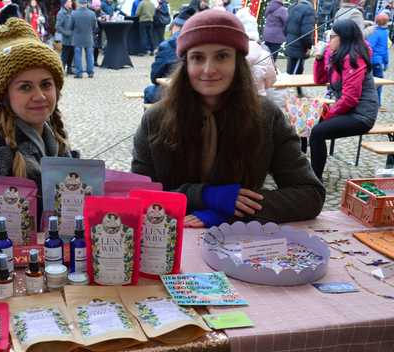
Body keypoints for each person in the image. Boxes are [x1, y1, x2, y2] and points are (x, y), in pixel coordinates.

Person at [132, 10, 325, 227]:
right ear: (185, 65)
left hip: (240, 246)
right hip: (170, 240)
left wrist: (232, 213)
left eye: (222, 56)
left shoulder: (266, 116)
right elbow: (140, 195)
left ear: (238, 63)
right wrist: (203, 195)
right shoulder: (154, 120)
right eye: (197, 57)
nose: (208, 69)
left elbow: (310, 194)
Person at [0, 18, 72, 227]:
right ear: (5, 95)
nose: (39, 96)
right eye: (25, 87)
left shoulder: (56, 140)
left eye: (46, 84)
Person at [309, 19, 378, 180]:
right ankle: (303, 170)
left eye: (332, 36)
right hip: (350, 110)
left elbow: (350, 99)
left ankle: (314, 179)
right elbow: (319, 80)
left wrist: (328, 115)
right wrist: (319, 58)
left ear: (343, 37)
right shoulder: (339, 56)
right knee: (308, 122)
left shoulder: (353, 58)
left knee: (317, 132)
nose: (329, 39)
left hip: (361, 115)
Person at [143, 6, 195, 104]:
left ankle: (152, 119)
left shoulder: (167, 46)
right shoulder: (201, 43)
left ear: (175, 26)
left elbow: (154, 77)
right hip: (199, 92)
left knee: (149, 91)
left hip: (174, 93)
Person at [237, 7, 276, 96]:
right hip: (259, 100)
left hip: (237, 100)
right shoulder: (264, 54)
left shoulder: (233, 54)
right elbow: (271, 80)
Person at [284, 0, 315, 78]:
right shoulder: (309, 10)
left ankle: (295, 89)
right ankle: (294, 89)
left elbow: (285, 28)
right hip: (300, 47)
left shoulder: (292, 8)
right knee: (296, 75)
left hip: (291, 43)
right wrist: (309, 46)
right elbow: (306, 33)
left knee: (291, 71)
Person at [367, 13, 390, 109]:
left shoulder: (372, 31)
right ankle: (377, 103)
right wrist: (386, 62)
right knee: (378, 83)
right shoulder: (384, 33)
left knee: (368, 82)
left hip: (369, 61)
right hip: (376, 61)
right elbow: (384, 50)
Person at [71, 0, 98, 78]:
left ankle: (79, 73)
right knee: (90, 55)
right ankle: (90, 72)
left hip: (77, 37)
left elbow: (71, 26)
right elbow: (95, 27)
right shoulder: (92, 14)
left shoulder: (74, 13)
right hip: (88, 37)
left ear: (79, 3)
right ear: (86, 4)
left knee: (78, 56)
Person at [56, 0, 75, 75]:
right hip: (66, 38)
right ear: (65, 3)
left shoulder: (72, 12)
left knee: (71, 53)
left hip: (73, 37)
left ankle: (69, 69)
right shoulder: (61, 13)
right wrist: (66, 33)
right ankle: (62, 70)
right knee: (65, 55)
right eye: (69, 2)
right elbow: (57, 26)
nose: (71, 3)